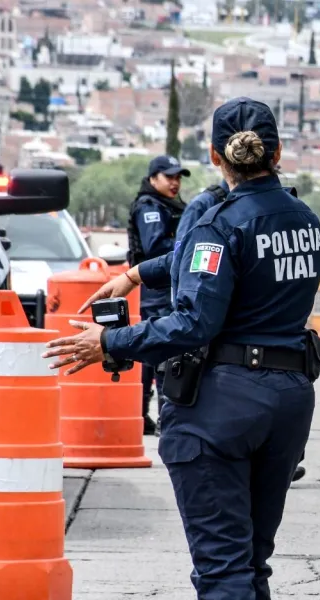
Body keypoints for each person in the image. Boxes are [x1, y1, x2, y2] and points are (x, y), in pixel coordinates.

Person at [43, 96, 320, 600]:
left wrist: (110, 345)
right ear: (276, 153)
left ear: (216, 156)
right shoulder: (305, 220)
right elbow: (205, 260)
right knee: (252, 557)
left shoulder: (219, 223)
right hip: (289, 397)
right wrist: (136, 272)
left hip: (221, 402)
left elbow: (195, 318)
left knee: (222, 562)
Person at [128, 155, 190, 435]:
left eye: (178, 177)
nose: (175, 183)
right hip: (154, 291)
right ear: (153, 179)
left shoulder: (170, 205)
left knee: (156, 351)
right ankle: (156, 415)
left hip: (165, 289)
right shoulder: (149, 206)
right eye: (169, 177)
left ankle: (146, 415)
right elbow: (155, 247)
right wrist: (186, 243)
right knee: (159, 351)